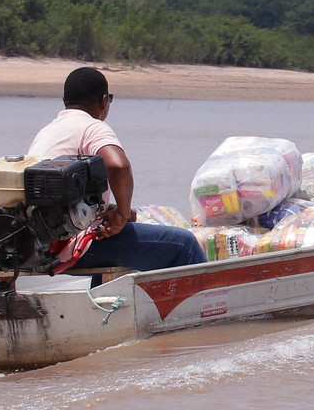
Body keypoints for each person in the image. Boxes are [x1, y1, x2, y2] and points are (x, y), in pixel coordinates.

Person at [25, 67, 205, 272]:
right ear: (103, 101)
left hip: (42, 245)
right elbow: (118, 166)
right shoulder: (91, 126)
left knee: (117, 243)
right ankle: (210, 302)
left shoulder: (47, 131)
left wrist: (103, 208)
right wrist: (122, 213)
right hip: (74, 246)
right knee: (184, 244)